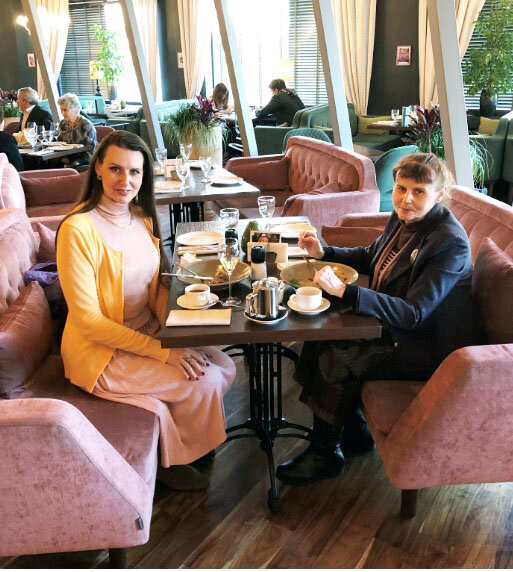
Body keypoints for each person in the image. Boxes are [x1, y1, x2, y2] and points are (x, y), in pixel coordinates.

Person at [276, 152, 485, 486]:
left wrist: (346, 292)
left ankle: (325, 454)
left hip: (430, 347)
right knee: (320, 336)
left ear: (439, 195)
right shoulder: (402, 219)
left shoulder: (450, 244)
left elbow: (414, 313)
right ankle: (354, 431)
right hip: (400, 329)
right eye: (401, 188)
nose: (406, 199)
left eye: (419, 191)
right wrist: (324, 252)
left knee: (336, 355)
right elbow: (368, 256)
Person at [56, 131, 236, 489]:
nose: (125, 181)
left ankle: (189, 438)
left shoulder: (141, 216)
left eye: (135, 172)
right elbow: (89, 323)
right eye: (116, 169)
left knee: (223, 365)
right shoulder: (78, 230)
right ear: (98, 169)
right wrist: (164, 353)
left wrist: (179, 329)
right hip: (102, 351)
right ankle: (173, 459)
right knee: (204, 381)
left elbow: (154, 288)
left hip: (148, 331)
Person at [57, 93, 97, 166]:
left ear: (75, 110)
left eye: (65, 110)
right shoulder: (63, 124)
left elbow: (90, 150)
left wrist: (74, 163)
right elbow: (60, 144)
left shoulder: (85, 125)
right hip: (66, 159)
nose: (62, 113)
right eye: (61, 109)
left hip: (84, 161)